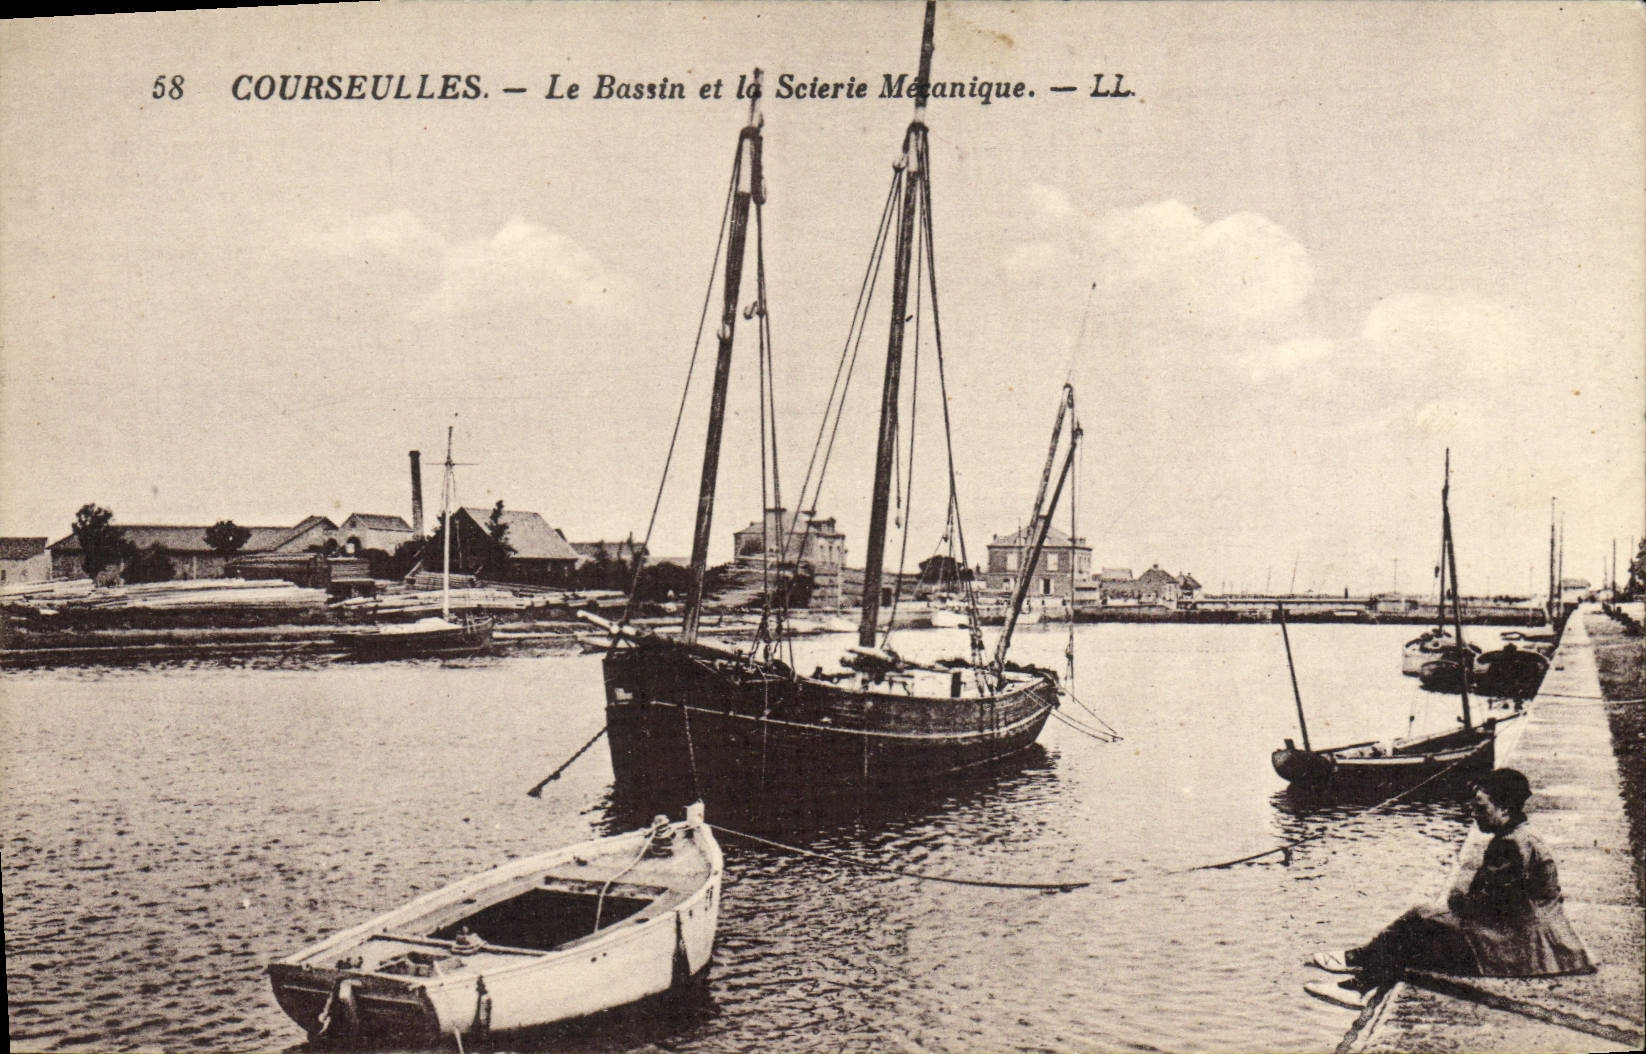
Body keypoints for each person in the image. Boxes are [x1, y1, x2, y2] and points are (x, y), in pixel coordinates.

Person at [1305, 768, 1593, 1008]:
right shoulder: (1522, 835)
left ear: (1504, 807)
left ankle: (1358, 981)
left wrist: (1457, 895)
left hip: (1520, 948)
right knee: (1423, 928)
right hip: (1539, 938)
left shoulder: (1509, 846)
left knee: (1420, 921)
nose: (1474, 814)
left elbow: (1482, 906)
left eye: (1481, 807)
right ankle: (1359, 968)